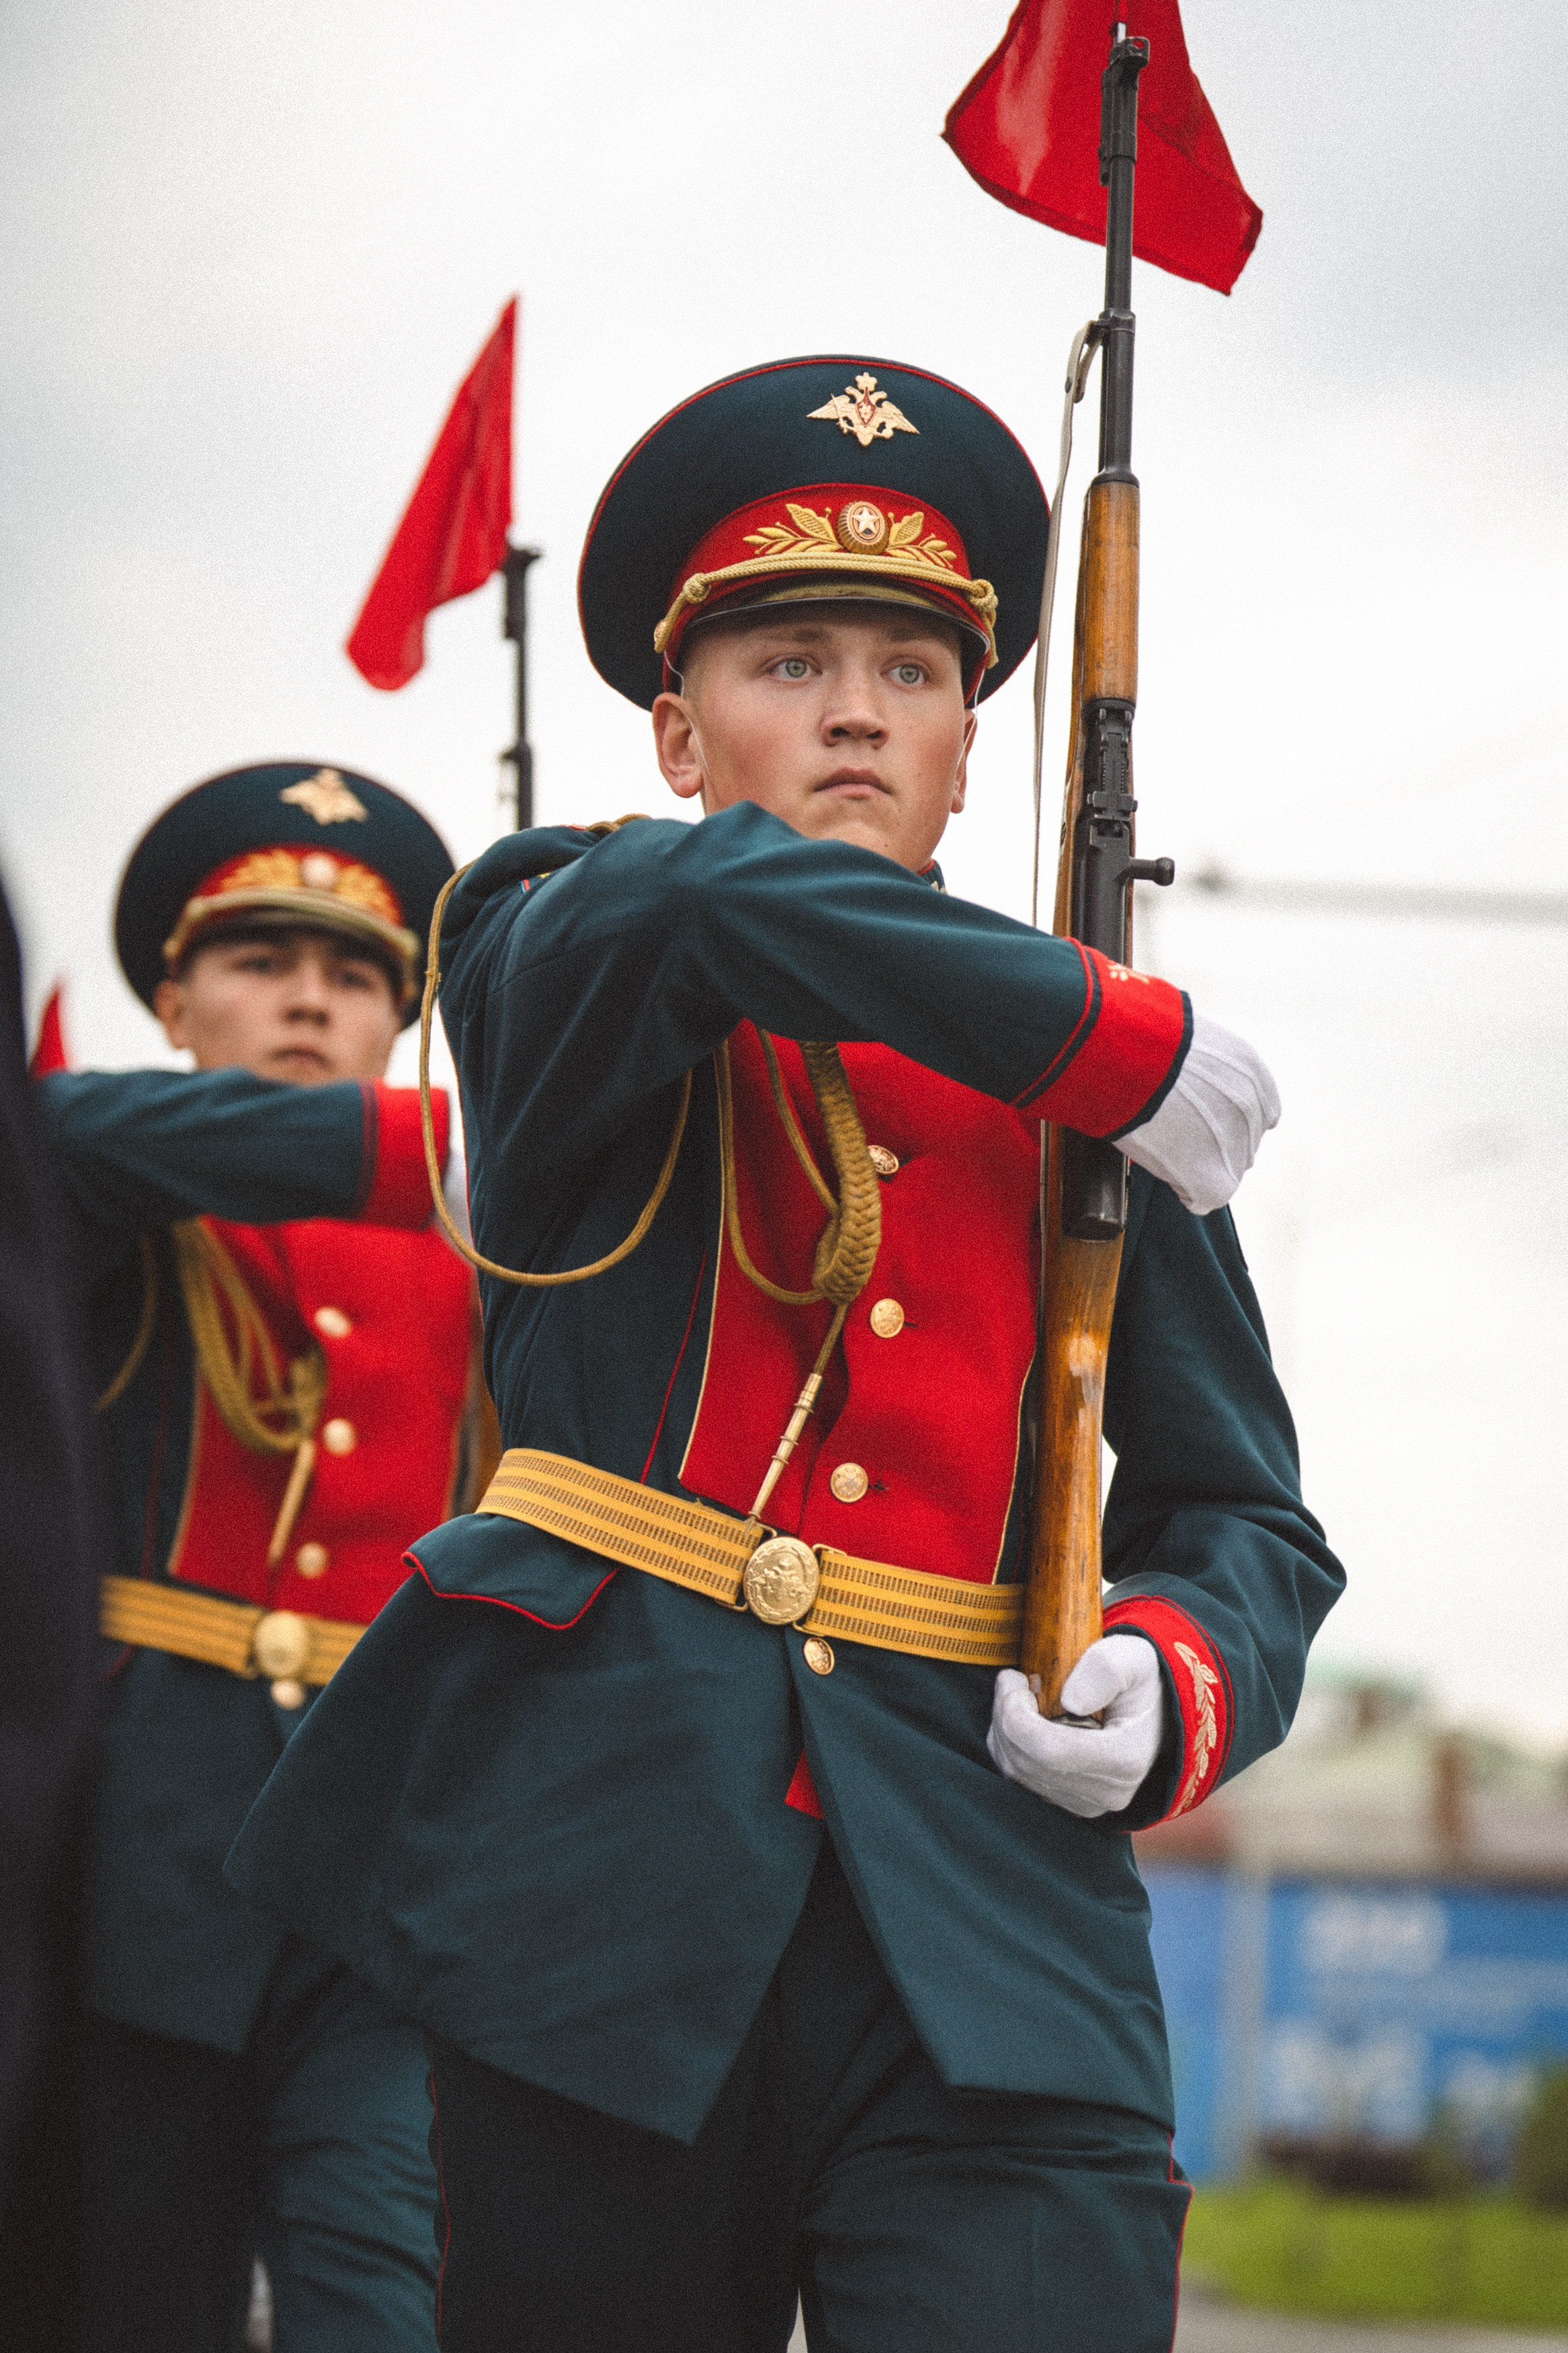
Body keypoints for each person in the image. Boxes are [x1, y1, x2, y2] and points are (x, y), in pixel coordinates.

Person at [228, 360, 1344, 2352]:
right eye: (787, 658)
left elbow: (1242, 1514)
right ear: (673, 728)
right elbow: (703, 901)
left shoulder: (1100, 1103)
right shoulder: (558, 926)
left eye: (911, 672)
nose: (852, 708)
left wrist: (1171, 1673)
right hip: (599, 1874)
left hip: (989, 1913)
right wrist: (1103, 1029)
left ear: (967, 741)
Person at [37, 761, 488, 2352]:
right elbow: (61, 1125)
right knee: (125, 2300)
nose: (311, 1001)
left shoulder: (480, 1249)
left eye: (358, 974)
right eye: (260, 963)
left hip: (380, 1863)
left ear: (404, 1014)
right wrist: (478, 1131)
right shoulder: (94, 1187)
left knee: (382, 2301)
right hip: (136, 1856)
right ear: (173, 999)